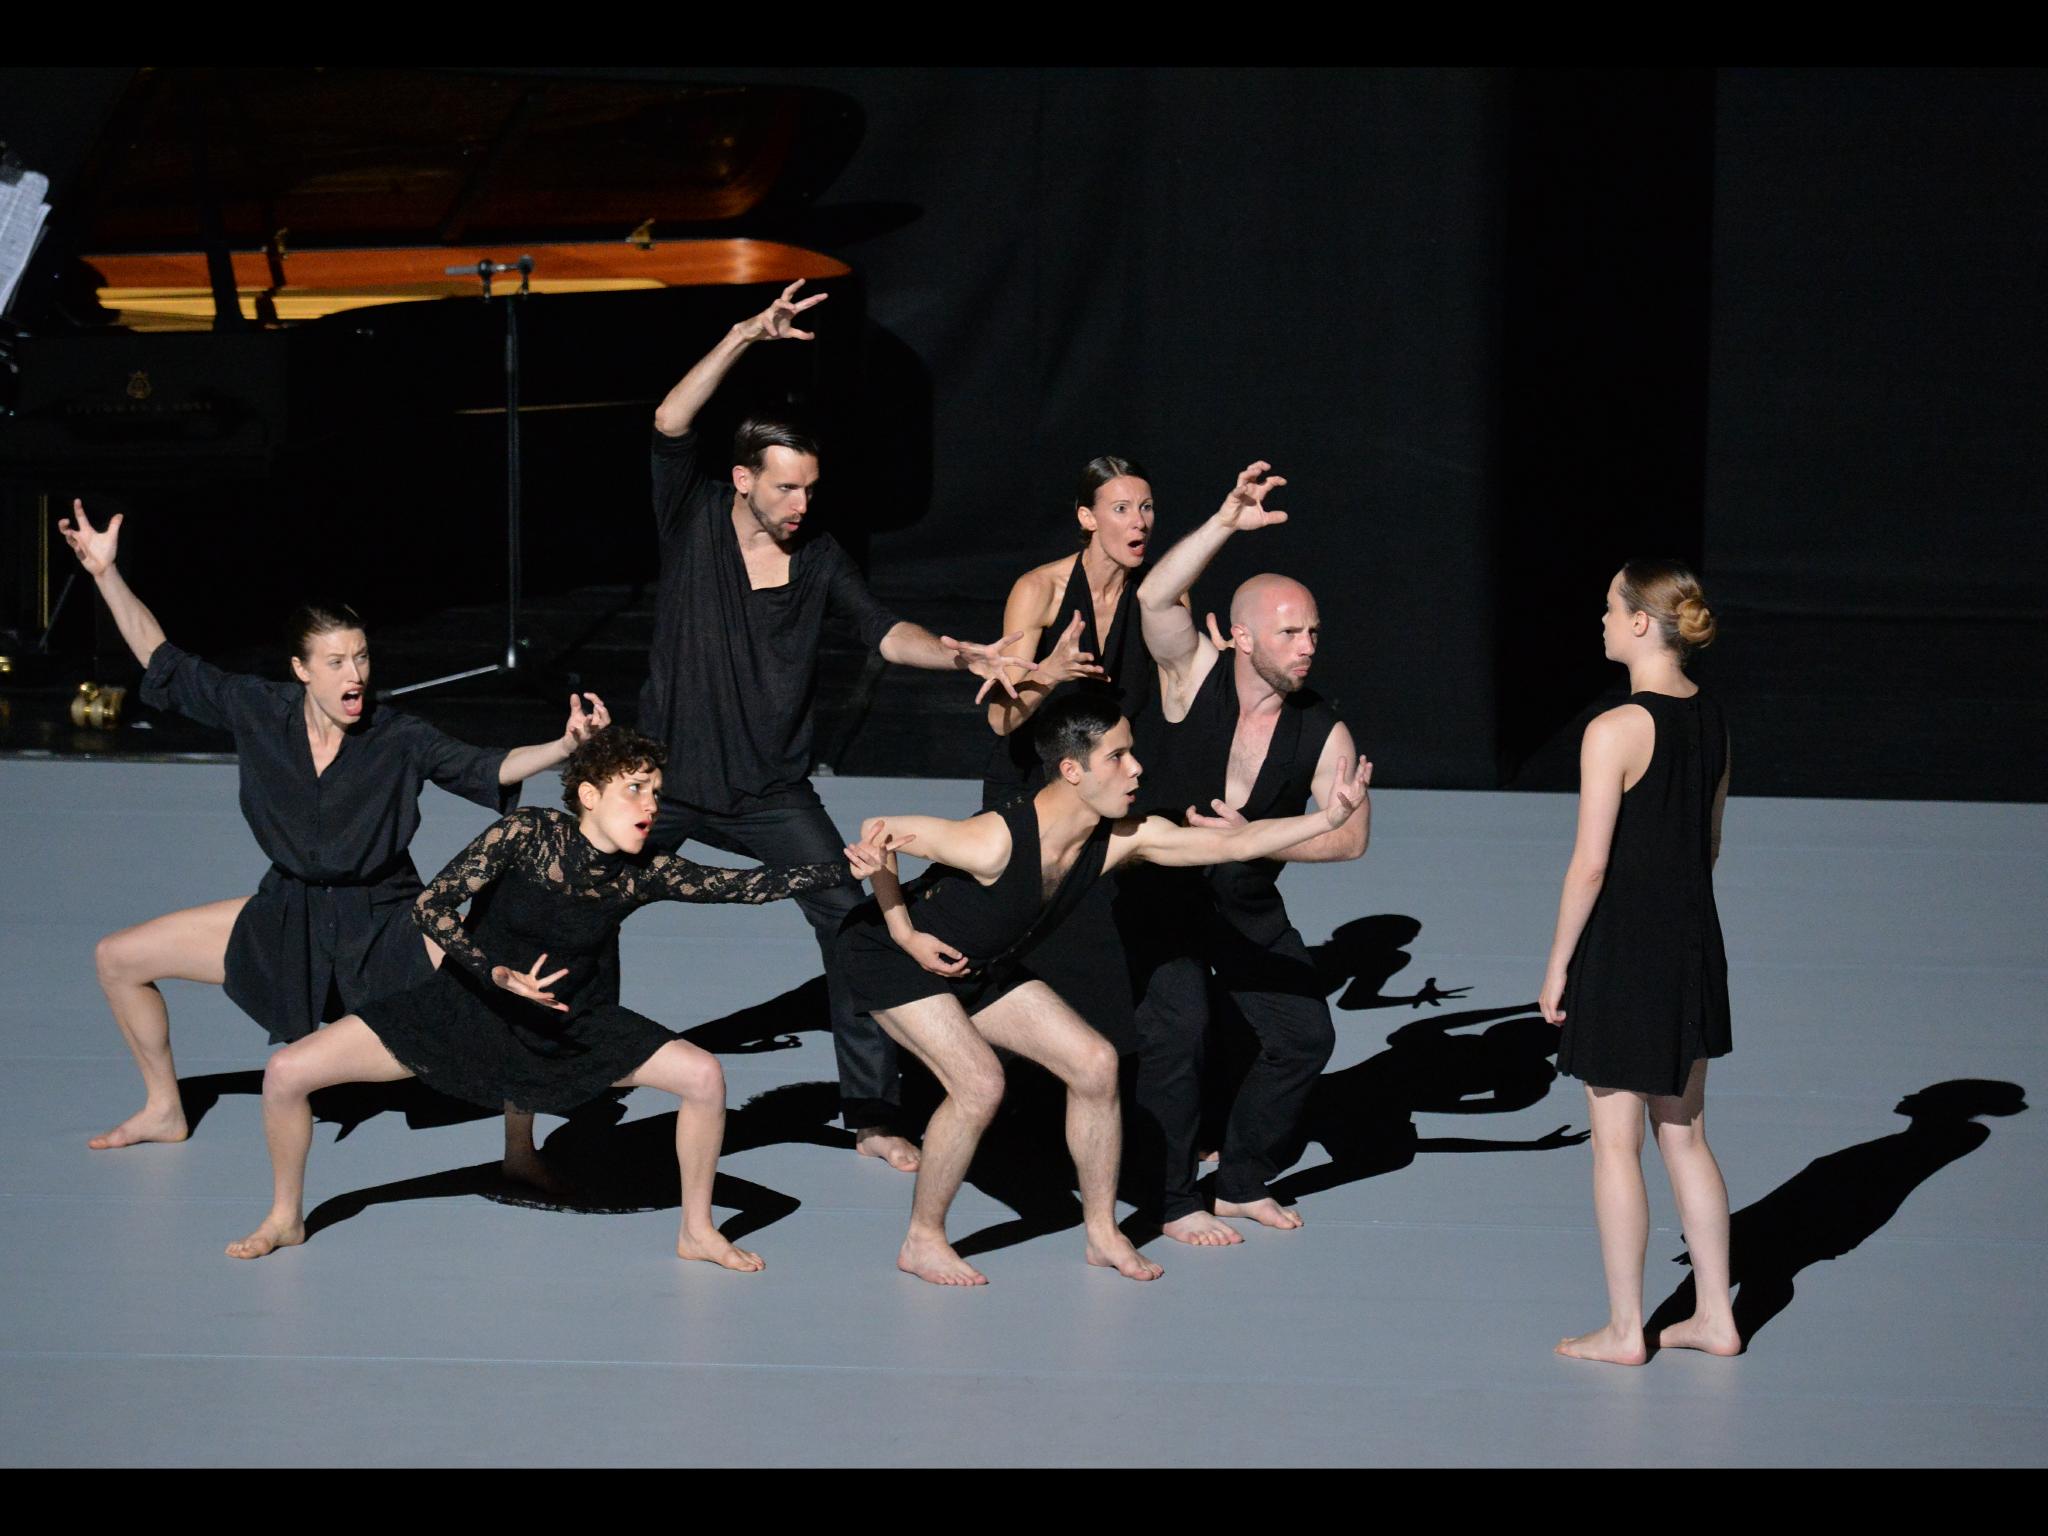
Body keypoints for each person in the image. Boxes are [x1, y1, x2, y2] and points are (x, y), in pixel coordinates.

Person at [57, 501, 608, 1182]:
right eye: (337, 661)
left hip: (388, 919)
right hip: (288, 915)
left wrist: (562, 747)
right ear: (302, 669)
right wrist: (105, 574)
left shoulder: (398, 736)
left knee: (505, 990)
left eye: (362, 657)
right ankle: (165, 1109)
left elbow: (485, 767)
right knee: (117, 958)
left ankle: (520, 1149)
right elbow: (163, 660)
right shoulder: (258, 710)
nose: (355, 675)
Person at [223, 727, 867, 1270]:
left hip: (567, 1024)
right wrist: (495, 972)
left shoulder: (646, 871)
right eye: (635, 789)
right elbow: (432, 905)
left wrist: (846, 867)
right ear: (589, 795)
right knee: (286, 1071)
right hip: (465, 1008)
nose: (651, 804)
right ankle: (285, 1216)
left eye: (656, 792)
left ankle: (696, 1230)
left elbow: (748, 885)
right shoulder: (526, 832)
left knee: (703, 1076)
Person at [640, 280, 1030, 1174]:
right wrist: (744, 335)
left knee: (855, 929)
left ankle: (873, 1113)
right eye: (786, 488)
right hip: (664, 784)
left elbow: (885, 633)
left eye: (810, 488)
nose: (801, 504)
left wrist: (960, 656)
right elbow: (669, 418)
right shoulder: (692, 516)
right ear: (743, 480)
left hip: (772, 796)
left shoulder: (818, 558)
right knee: (581, 895)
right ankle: (575, 1070)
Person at [839, 690, 1372, 1286]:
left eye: (1132, 752)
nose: (1136, 768)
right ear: (1072, 770)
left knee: (1095, 1063)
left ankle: (1102, 1234)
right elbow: (880, 831)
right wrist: (905, 931)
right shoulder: (994, 841)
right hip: (893, 960)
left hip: (978, 966)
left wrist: (1327, 819)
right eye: (1117, 757)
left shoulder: (1119, 839)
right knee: (980, 1084)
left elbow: (1233, 843)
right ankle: (923, 1240)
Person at [1127, 462, 1373, 1245]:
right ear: (1241, 637)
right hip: (1157, 897)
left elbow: (1351, 835)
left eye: (1313, 633)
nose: (1307, 648)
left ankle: (1239, 1181)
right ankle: (1173, 1199)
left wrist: (1258, 838)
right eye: (1290, 633)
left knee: (1305, 1036)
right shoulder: (1190, 676)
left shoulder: (1322, 728)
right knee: (1182, 1029)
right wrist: (1225, 523)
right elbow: (1153, 599)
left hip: (1243, 903)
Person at [1538, 560, 1737, 1365]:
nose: (1602, 620)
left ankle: (1627, 1329)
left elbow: (1589, 866)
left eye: (1609, 608)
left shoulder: (1614, 729)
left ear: (1642, 623)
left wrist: (1559, 964)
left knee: (1615, 1143)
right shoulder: (1713, 718)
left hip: (1625, 952)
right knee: (1684, 1134)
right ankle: (1715, 1315)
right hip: (1692, 943)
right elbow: (1710, 841)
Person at [977, 455, 1170, 1052]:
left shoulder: (1159, 594)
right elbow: (999, 718)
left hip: (1107, 791)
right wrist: (1048, 673)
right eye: (1121, 508)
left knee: (1109, 948)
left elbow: (1181, 693)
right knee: (1015, 943)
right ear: (1088, 518)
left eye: (1146, 507)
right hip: (1030, 788)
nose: (1139, 521)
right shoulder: (1040, 590)